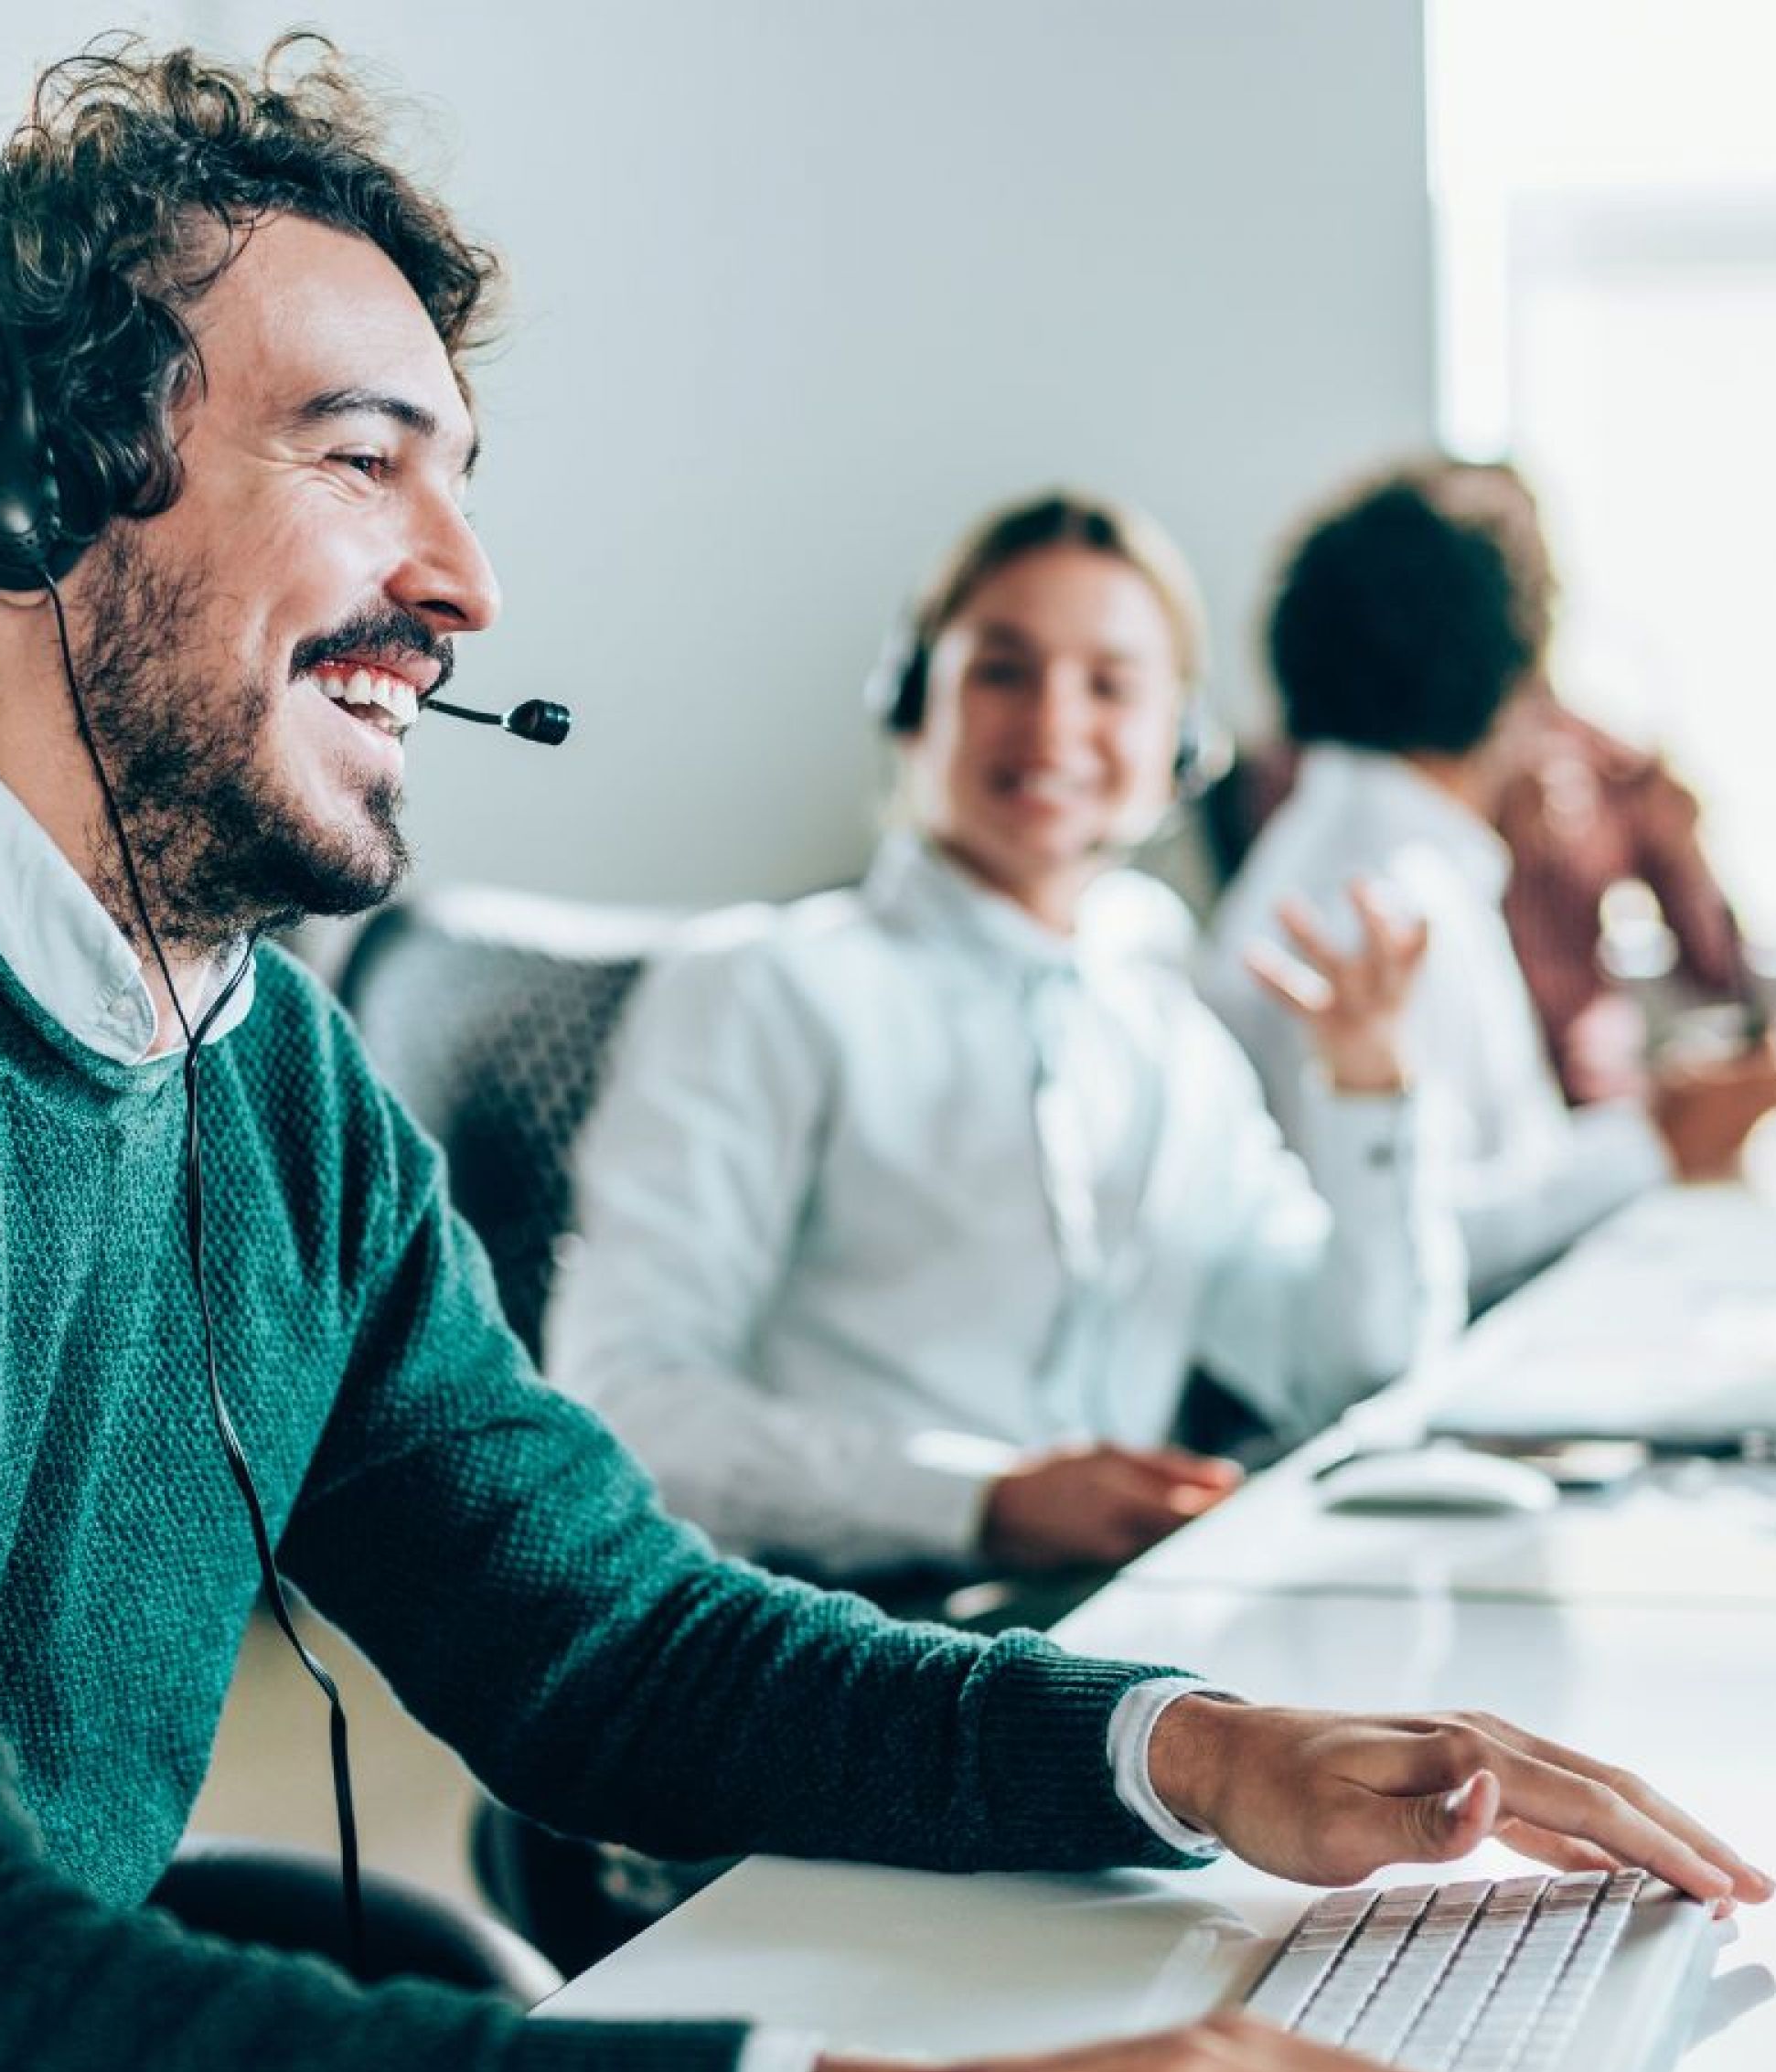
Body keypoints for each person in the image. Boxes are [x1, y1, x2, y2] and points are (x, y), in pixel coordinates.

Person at [0, 40, 1770, 2072]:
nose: (468, 583)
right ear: (13, 493)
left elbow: (602, 1640)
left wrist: (1183, 1751)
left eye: (466, 480)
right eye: (361, 460)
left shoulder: (262, 1071)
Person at [548, 492, 1466, 1582]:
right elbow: (628, 1409)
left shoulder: (1162, 1028)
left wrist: (1370, 1095)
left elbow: (1346, 1372)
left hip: (1101, 1631)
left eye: (1110, 685)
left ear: (1179, 741)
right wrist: (978, 1502)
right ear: (909, 701)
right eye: (1002, 670)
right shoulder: (764, 987)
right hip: (829, 1636)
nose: (1054, 724)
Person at [1203, 471, 1776, 1307]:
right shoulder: (1384, 899)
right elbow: (1417, 1244)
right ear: (1523, 678)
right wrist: (1656, 1139)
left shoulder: (1359, 853)